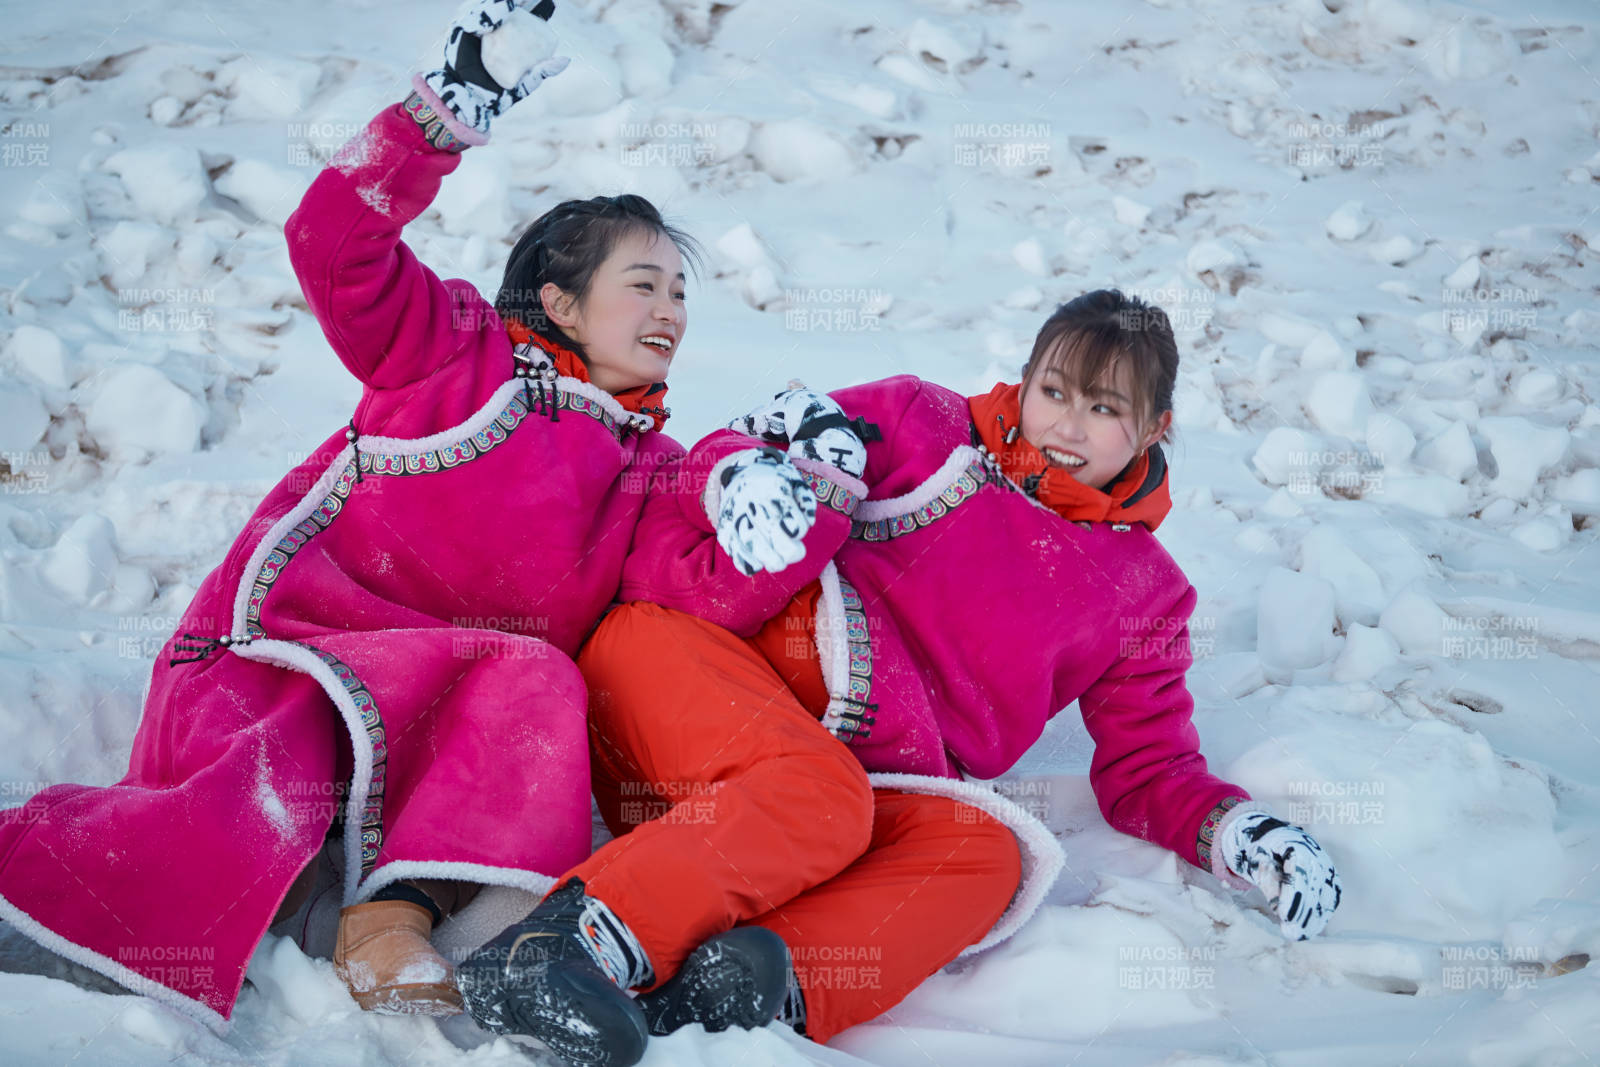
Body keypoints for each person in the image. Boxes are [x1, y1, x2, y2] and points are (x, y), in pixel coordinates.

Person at [0, 0, 754, 1043]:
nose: (671, 308)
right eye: (644, 283)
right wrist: (437, 118)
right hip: (297, 662)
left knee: (540, 677)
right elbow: (332, 241)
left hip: (452, 721)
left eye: (680, 291)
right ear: (559, 301)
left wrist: (780, 487)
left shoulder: (653, 464)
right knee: (248, 809)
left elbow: (702, 584)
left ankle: (393, 919)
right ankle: (47, 887)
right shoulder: (454, 355)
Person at [558, 288, 1345, 1046]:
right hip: (683, 679)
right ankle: (561, 948)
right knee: (818, 793)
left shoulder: (1145, 593)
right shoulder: (920, 420)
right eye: (1054, 391)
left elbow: (1150, 766)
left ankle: (737, 996)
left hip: (810, 810)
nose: (1067, 425)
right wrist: (744, 478)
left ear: (1154, 428)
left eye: (1104, 408)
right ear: (1026, 379)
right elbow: (745, 444)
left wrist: (1234, 830)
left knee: (992, 856)